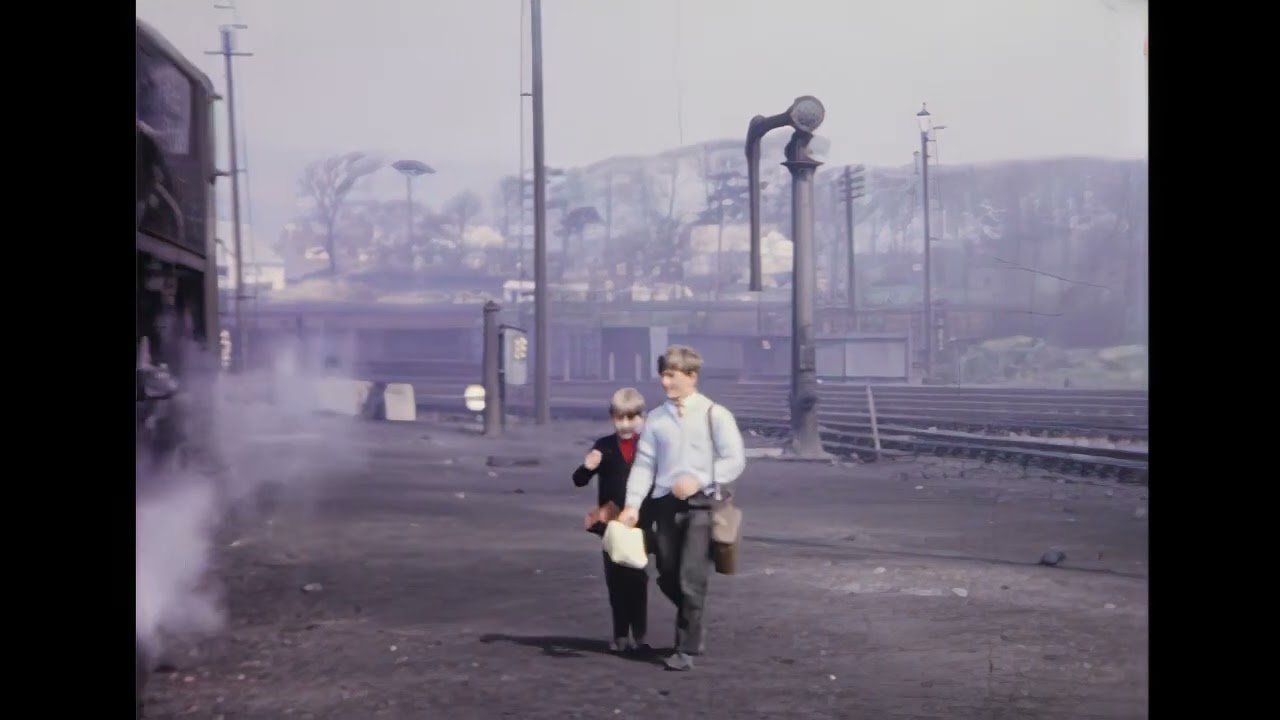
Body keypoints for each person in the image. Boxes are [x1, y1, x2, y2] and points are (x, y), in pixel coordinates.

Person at [618, 345, 746, 671]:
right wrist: (632, 505)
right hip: (663, 505)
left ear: (691, 376)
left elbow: (734, 459)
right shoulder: (657, 419)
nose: (665, 382)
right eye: (662, 374)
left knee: (691, 577)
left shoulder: (714, 414)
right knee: (667, 575)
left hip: (702, 507)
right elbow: (645, 465)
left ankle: (685, 648)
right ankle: (694, 617)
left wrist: (701, 479)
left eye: (671, 375)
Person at [572, 387, 652, 654]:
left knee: (638, 579)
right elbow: (579, 480)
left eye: (632, 418)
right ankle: (620, 634)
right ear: (612, 417)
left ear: (643, 417)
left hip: (641, 523)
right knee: (616, 579)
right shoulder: (604, 446)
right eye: (620, 418)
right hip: (611, 525)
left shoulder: (650, 446)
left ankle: (639, 636)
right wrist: (588, 467)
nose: (626, 425)